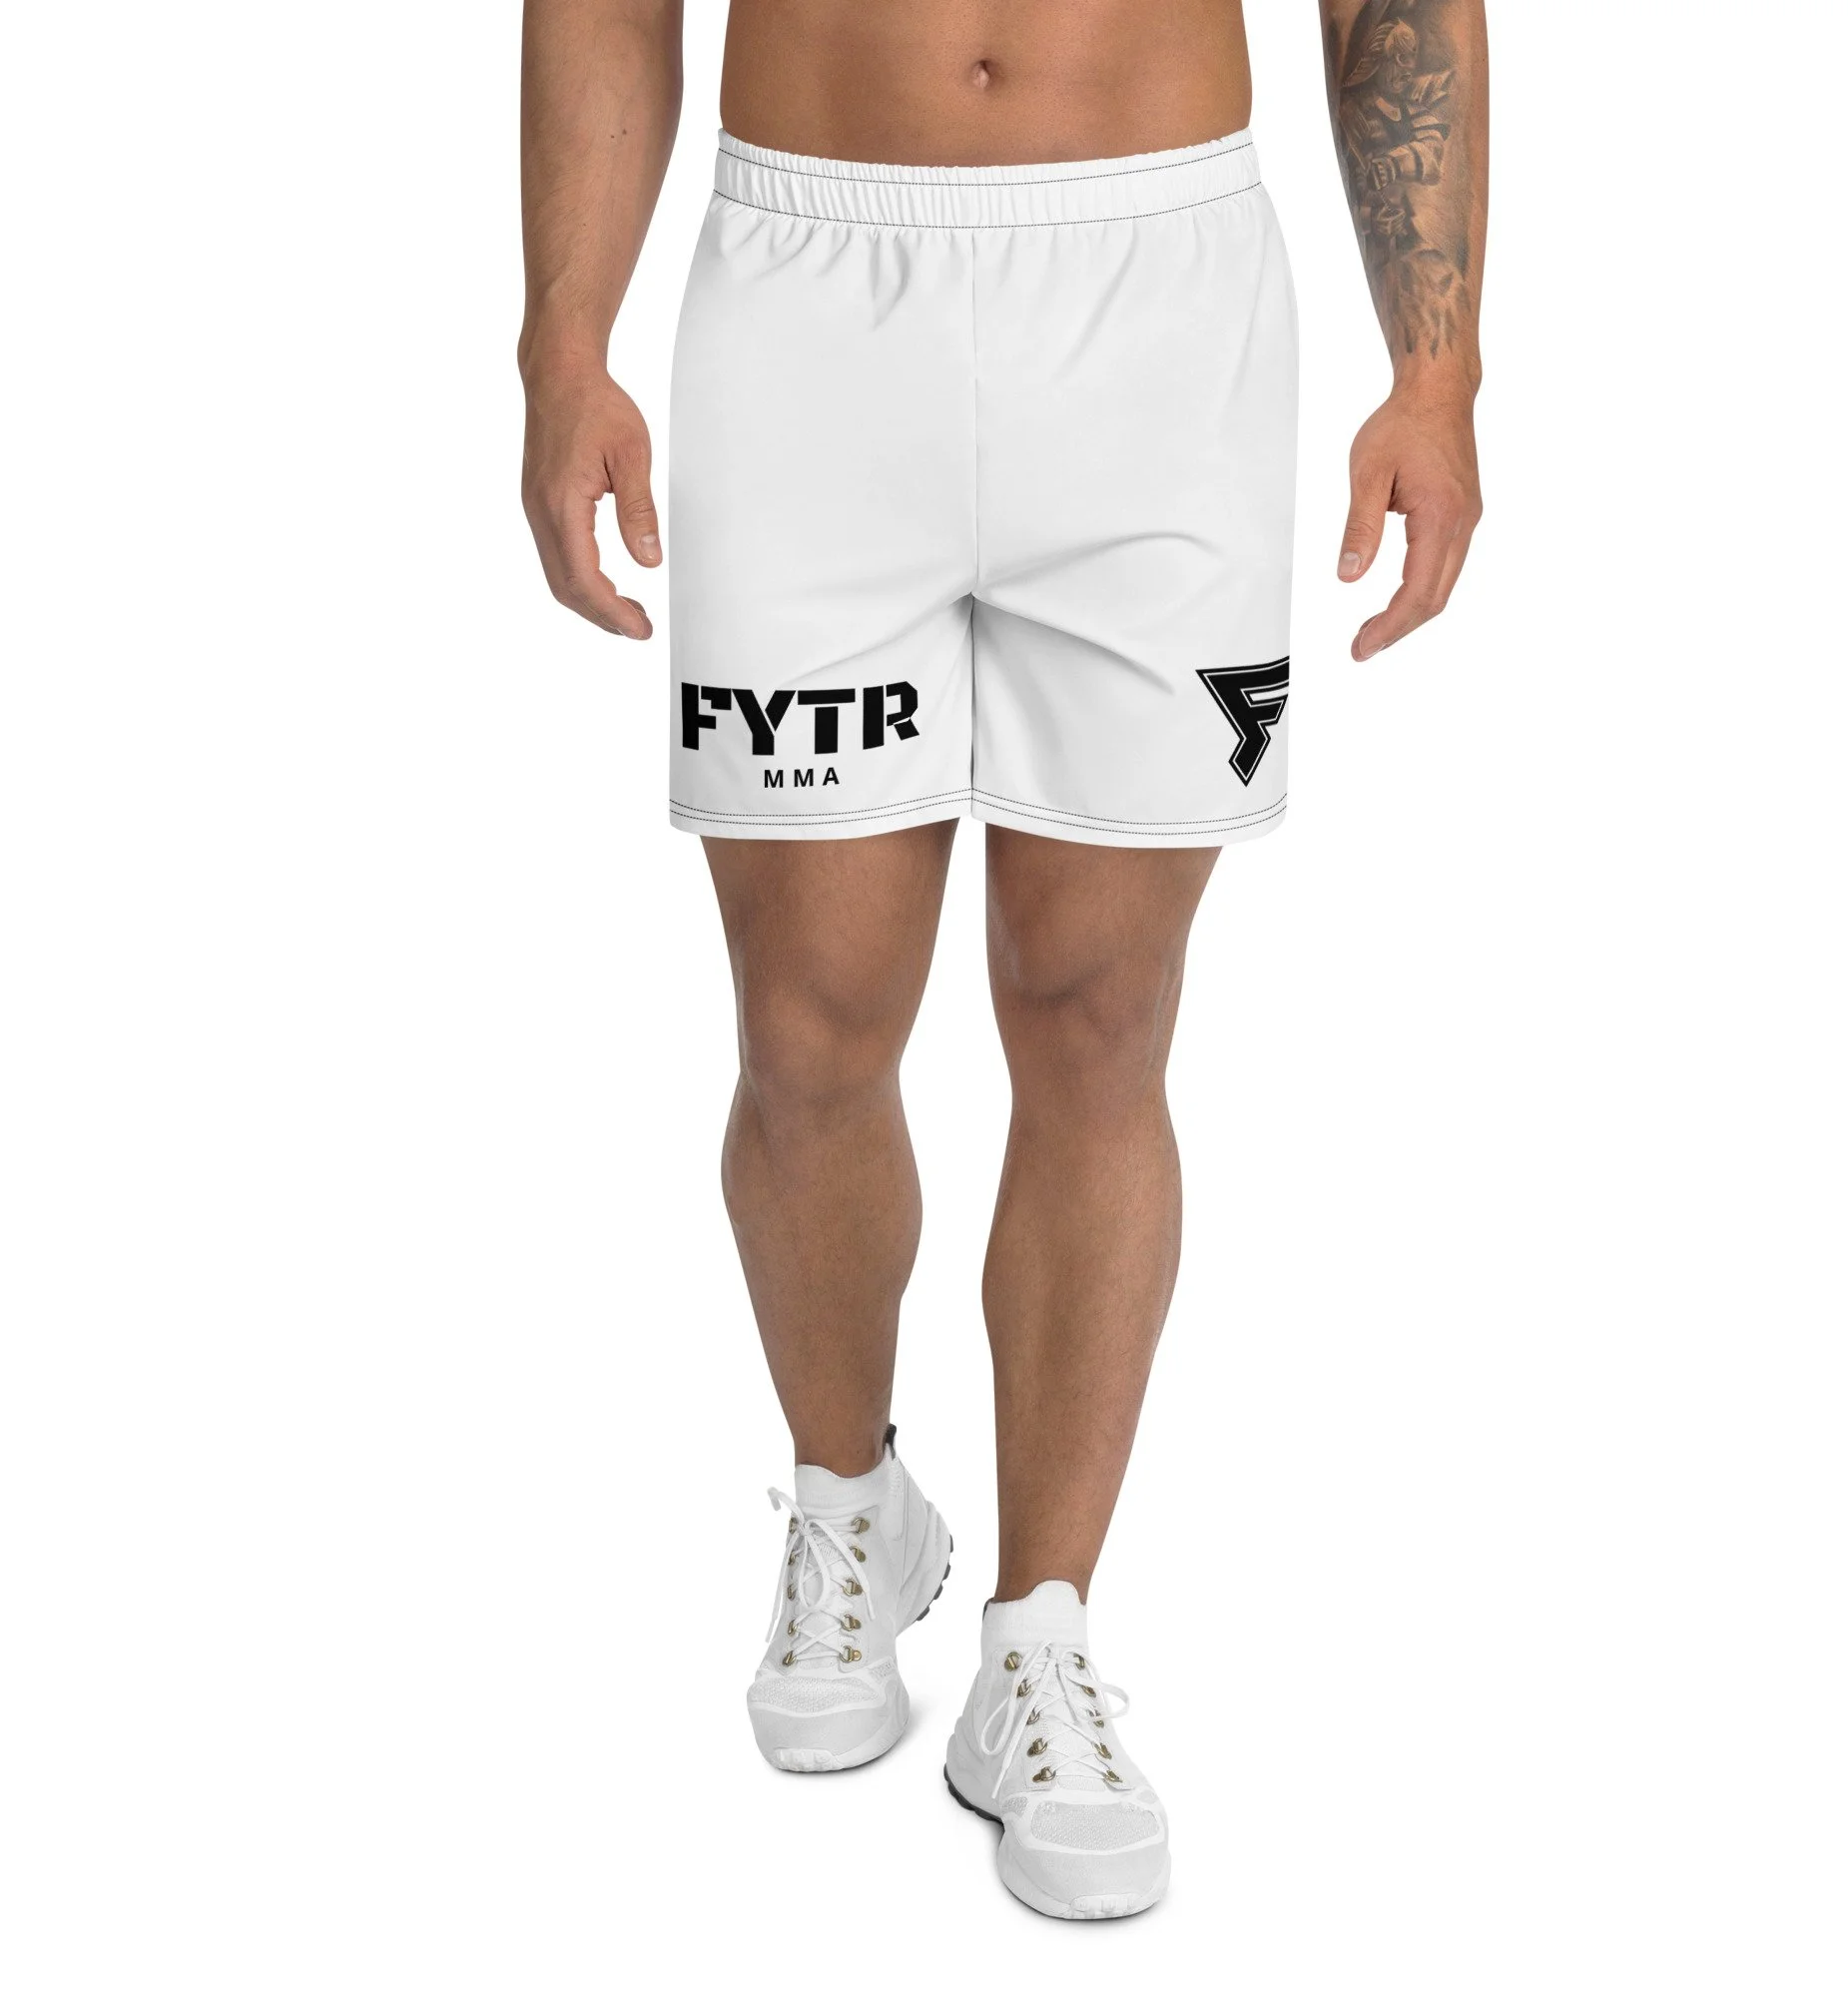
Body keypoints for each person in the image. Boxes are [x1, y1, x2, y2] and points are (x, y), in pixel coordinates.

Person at [519, 0, 1486, 1920]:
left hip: (1160, 300)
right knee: (810, 1024)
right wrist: (563, 342)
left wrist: (1436, 369)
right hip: (809, 290)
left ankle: (1041, 1636)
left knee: (1097, 1012)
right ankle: (848, 1503)